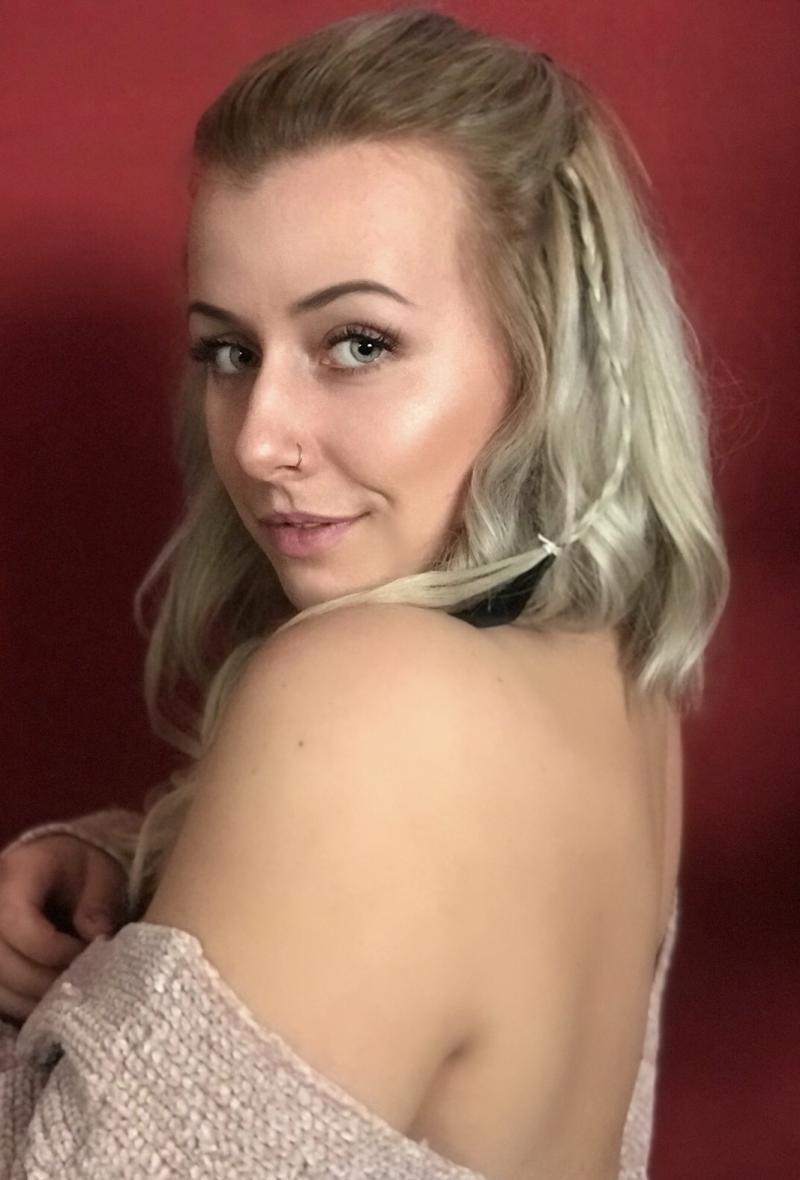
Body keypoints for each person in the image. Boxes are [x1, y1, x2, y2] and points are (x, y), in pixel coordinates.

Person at [0, 7, 729, 1178]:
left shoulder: (356, 694)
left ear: (546, 354)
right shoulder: (615, 672)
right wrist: (117, 870)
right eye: (228, 351)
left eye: (356, 344)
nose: (258, 441)